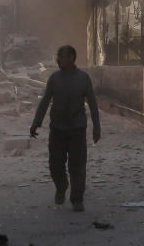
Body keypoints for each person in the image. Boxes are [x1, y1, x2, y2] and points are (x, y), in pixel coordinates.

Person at [30, 45, 101, 212]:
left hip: (77, 128)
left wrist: (96, 127)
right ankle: (61, 186)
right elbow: (45, 101)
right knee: (55, 164)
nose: (57, 59)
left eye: (60, 56)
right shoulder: (54, 78)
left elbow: (92, 104)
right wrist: (36, 122)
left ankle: (77, 199)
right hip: (57, 128)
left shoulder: (83, 79)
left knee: (77, 165)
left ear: (70, 58)